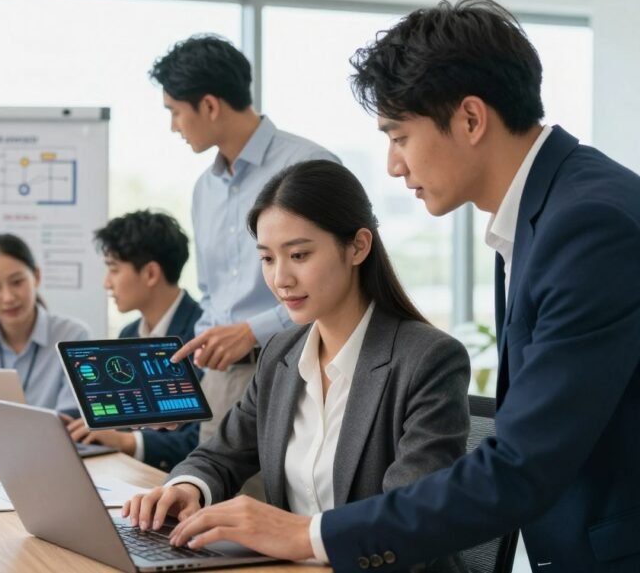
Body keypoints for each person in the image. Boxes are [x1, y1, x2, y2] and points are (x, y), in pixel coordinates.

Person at [167, 0, 640, 572]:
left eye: (399, 136)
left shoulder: (588, 224)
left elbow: (522, 463)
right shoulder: (544, 213)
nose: (393, 165)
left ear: (470, 119)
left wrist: (309, 536)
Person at [124, 160, 470, 573]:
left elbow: (414, 520)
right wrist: (186, 487)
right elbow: (221, 455)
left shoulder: (428, 360)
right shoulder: (281, 355)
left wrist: (302, 534)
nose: (281, 278)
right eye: (268, 259)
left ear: (358, 247)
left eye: (299, 254)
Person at [150, 35, 340, 443]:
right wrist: (184, 390)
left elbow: (339, 281)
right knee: (209, 500)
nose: (172, 127)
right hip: (221, 382)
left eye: (175, 112)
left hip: (298, 367)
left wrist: (252, 332)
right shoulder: (205, 189)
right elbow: (211, 299)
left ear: (210, 105)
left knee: (281, 505)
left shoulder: (308, 165)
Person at [66, 210, 204, 471]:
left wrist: (125, 441)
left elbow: (200, 440)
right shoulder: (129, 334)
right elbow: (118, 410)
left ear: (151, 273)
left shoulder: (203, 336)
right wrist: (71, 422)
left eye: (114, 269)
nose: (107, 283)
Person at [0, 234, 89, 413]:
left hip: (49, 441)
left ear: (36, 277)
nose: (8, 297)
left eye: (17, 282)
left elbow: (73, 417)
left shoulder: (73, 337)